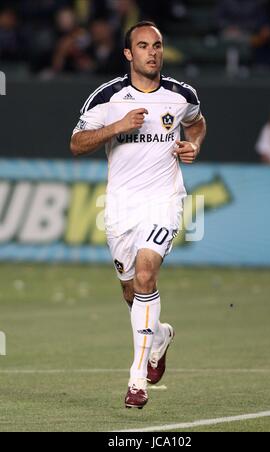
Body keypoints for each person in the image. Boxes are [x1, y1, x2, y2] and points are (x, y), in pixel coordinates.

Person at [70, 21, 206, 409]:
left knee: (147, 274)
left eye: (158, 45)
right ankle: (160, 336)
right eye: (143, 46)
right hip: (120, 207)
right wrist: (116, 127)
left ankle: (137, 379)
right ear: (129, 54)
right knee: (131, 289)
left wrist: (192, 145)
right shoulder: (108, 97)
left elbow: (197, 122)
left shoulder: (182, 95)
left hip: (164, 200)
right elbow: (76, 144)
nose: (152, 52)